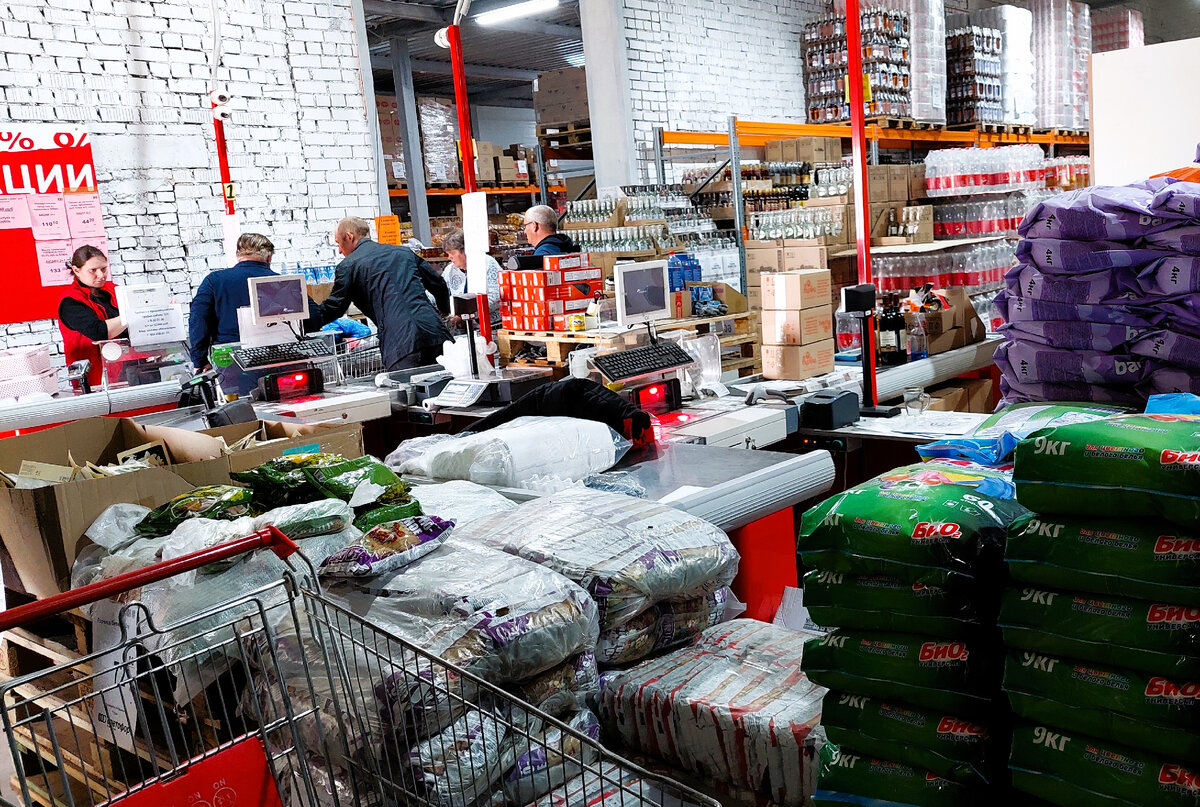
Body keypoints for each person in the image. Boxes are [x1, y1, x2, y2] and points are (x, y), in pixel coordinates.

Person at [307, 217, 452, 370]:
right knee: (447, 382)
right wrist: (444, 310)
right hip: (437, 335)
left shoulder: (348, 266)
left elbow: (335, 307)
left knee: (408, 385)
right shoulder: (403, 253)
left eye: (338, 243)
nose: (340, 251)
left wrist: (307, 322)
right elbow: (438, 284)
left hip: (401, 344)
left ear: (349, 237)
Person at [188, 233, 287, 371]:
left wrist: (199, 360)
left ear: (238, 256)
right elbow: (313, 316)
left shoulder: (214, 280)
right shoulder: (285, 282)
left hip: (230, 361)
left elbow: (198, 320)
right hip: (282, 357)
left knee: (234, 386)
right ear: (268, 258)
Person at [58, 244, 126, 389]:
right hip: (92, 379)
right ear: (76, 270)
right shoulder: (70, 301)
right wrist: (133, 314)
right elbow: (99, 332)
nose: (101, 275)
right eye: (93, 270)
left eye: (103, 269)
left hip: (123, 371)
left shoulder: (115, 290)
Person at [441, 229, 501, 327]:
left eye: (452, 253)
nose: (449, 257)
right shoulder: (449, 270)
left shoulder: (487, 263)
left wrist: (465, 315)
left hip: (490, 324)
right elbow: (440, 289)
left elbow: (494, 296)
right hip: (463, 325)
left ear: (465, 251)